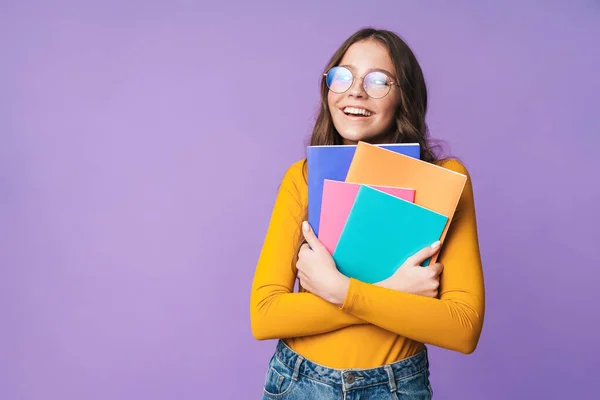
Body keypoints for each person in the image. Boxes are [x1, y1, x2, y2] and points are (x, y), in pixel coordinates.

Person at [250, 27, 485, 400]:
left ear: (404, 97)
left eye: (379, 81)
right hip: (299, 383)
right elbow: (265, 316)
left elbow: (463, 328)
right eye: (343, 76)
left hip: (395, 387)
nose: (355, 90)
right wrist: (392, 290)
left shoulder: (445, 178)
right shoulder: (303, 178)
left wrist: (338, 289)